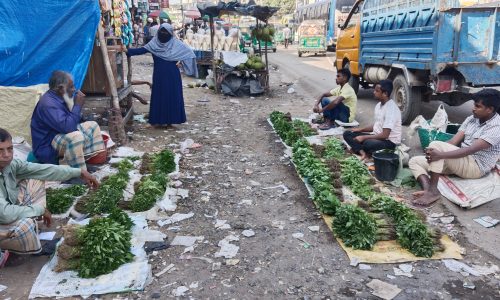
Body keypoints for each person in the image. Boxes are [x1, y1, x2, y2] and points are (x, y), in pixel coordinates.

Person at [0, 128, 99, 254]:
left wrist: (79, 172)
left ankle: (20, 236)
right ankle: (9, 249)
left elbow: (43, 170)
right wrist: (39, 209)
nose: (7, 155)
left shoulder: (11, 164)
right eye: (0, 150)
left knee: (35, 180)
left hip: (6, 209)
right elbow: (5, 214)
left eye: (10, 149)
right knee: (25, 226)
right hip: (3, 215)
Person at [409, 89, 500, 208]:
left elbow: (470, 150)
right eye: (474, 104)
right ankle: (429, 190)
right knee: (415, 161)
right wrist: (433, 152)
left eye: (478, 106)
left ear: (490, 109)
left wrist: (440, 153)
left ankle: (432, 192)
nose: (473, 108)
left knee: (436, 147)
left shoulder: (496, 127)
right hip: (461, 161)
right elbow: (453, 142)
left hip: (476, 166)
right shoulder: (472, 119)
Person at [30, 71, 105, 171]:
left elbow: (70, 121)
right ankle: (74, 173)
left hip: (58, 136)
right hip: (47, 146)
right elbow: (68, 127)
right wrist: (77, 105)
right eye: (71, 87)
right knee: (76, 136)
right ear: (60, 88)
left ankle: (81, 164)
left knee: (92, 125)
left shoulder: (60, 97)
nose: (74, 89)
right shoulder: (48, 104)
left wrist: (79, 112)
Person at [126, 23, 197, 128]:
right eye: (162, 32)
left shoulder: (175, 43)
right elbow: (141, 50)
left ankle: (168, 121)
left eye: (166, 32)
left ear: (170, 33)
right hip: (161, 75)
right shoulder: (154, 43)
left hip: (170, 75)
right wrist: (127, 51)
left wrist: (181, 62)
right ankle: (162, 121)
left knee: (170, 96)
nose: (163, 34)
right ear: (158, 32)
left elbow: (190, 54)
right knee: (162, 96)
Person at [343, 80, 401, 161]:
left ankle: (359, 150)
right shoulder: (378, 105)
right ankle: (363, 152)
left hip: (389, 142)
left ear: (385, 94)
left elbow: (385, 135)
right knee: (347, 133)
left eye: (377, 91)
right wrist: (360, 129)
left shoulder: (391, 109)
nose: (374, 92)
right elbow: (377, 125)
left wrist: (364, 137)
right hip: (376, 136)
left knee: (368, 143)